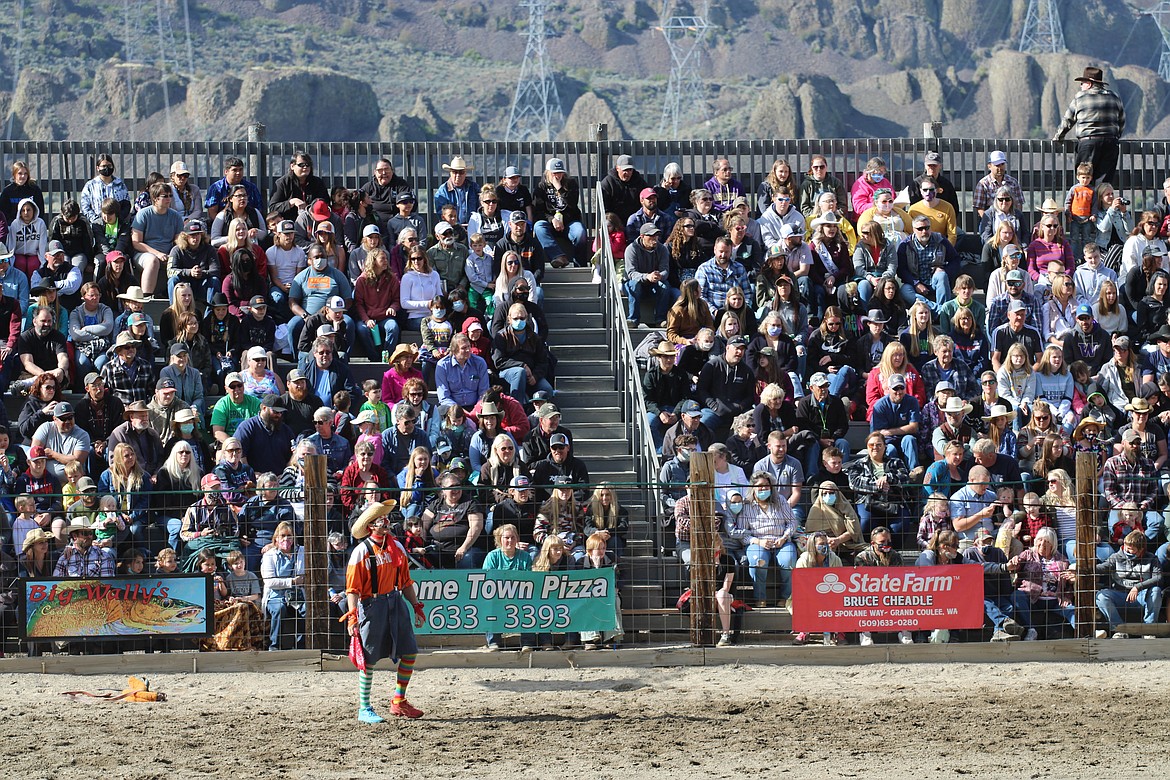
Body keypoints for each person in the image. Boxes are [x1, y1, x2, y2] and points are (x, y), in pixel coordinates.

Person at [345, 500, 425, 722]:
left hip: (395, 600)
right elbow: (352, 589)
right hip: (371, 605)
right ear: (370, 525)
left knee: (409, 652)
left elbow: (406, 581)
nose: (386, 522)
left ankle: (399, 701)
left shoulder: (396, 547)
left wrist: (416, 606)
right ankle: (364, 707)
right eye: (381, 519)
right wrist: (353, 617)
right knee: (368, 658)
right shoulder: (361, 552)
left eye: (385, 518)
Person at [1053, 66, 1125, 185]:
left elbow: (1068, 120)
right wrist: (1116, 136)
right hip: (1110, 143)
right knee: (1104, 183)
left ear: (1089, 83)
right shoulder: (1114, 97)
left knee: (1085, 180)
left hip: (1088, 143)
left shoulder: (1080, 97)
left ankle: (1086, 203)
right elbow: (1121, 121)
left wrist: (1059, 137)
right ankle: (1102, 203)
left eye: (1082, 83)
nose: (1081, 86)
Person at [1094, 530, 1163, 639]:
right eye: (1126, 546)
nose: (1126, 550)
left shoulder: (1152, 558)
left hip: (1142, 597)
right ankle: (1119, 629)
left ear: (1141, 550)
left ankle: (1149, 630)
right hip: (1120, 596)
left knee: (1156, 591)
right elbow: (1102, 567)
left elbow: (1158, 577)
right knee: (1101, 595)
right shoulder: (1116, 557)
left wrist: (1138, 587)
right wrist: (1084, 569)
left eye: (1131, 549)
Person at [623, 223, 673, 328]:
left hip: (653, 283)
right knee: (634, 285)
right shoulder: (631, 249)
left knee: (665, 285)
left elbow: (665, 270)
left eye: (656, 235)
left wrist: (660, 276)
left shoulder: (662, 249)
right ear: (642, 236)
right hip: (634, 282)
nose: (654, 239)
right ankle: (633, 319)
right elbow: (631, 273)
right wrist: (647, 276)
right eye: (651, 236)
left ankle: (660, 319)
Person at [234, 394, 295, 477]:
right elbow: (239, 454)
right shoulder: (247, 427)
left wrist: (286, 474)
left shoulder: (286, 430)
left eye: (281, 412)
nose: (279, 415)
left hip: (281, 480)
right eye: (275, 412)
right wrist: (251, 474)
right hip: (255, 480)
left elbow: (294, 455)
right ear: (263, 408)